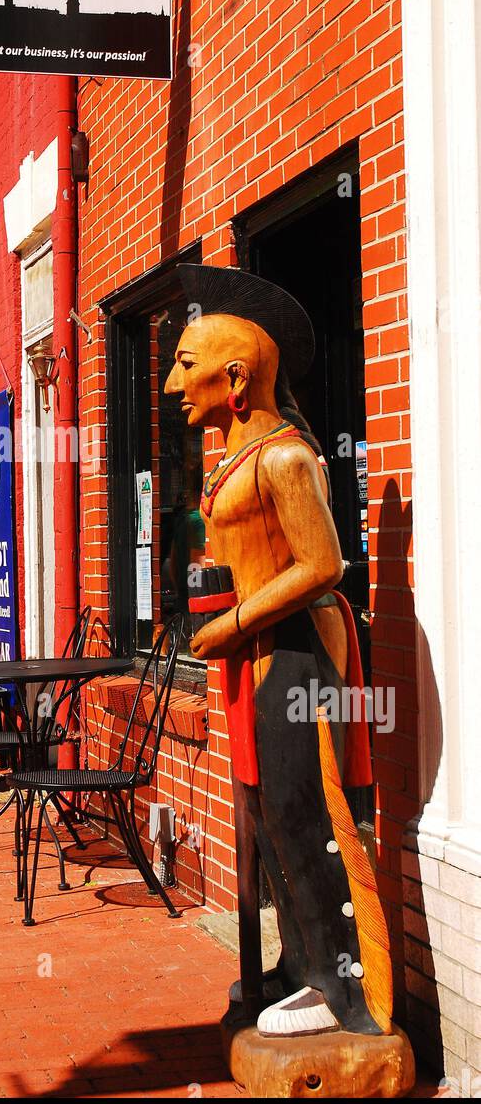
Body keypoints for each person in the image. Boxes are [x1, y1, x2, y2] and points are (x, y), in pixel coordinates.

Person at [165, 263, 391, 1040]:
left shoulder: (287, 458)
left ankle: (344, 987)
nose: (168, 383)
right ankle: (299, 965)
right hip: (262, 652)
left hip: (299, 654)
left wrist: (232, 624)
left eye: (185, 365)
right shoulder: (233, 450)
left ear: (236, 374)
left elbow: (322, 565)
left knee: (305, 813)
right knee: (268, 812)